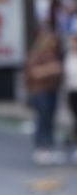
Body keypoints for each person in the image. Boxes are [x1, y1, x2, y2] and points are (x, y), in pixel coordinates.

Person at [25, 30, 64, 165]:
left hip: (51, 90)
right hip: (40, 91)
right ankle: (41, 148)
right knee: (42, 119)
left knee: (49, 120)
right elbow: (33, 73)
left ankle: (49, 147)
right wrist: (51, 69)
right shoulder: (36, 55)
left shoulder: (53, 55)